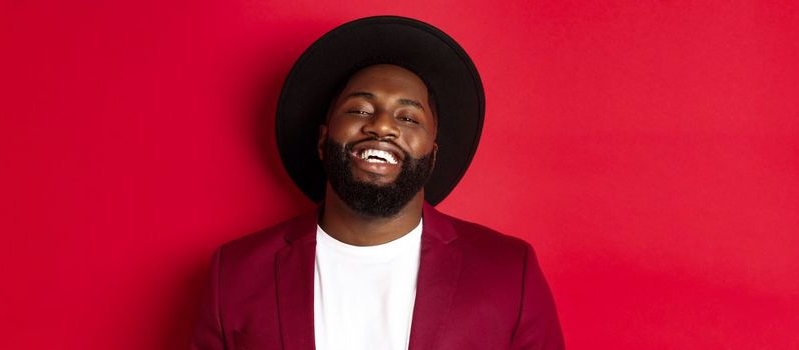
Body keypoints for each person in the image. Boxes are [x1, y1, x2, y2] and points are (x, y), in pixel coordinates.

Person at [190, 16, 565, 350]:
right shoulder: (235, 274)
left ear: (432, 155)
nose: (382, 126)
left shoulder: (509, 271)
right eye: (359, 110)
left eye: (409, 118)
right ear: (323, 140)